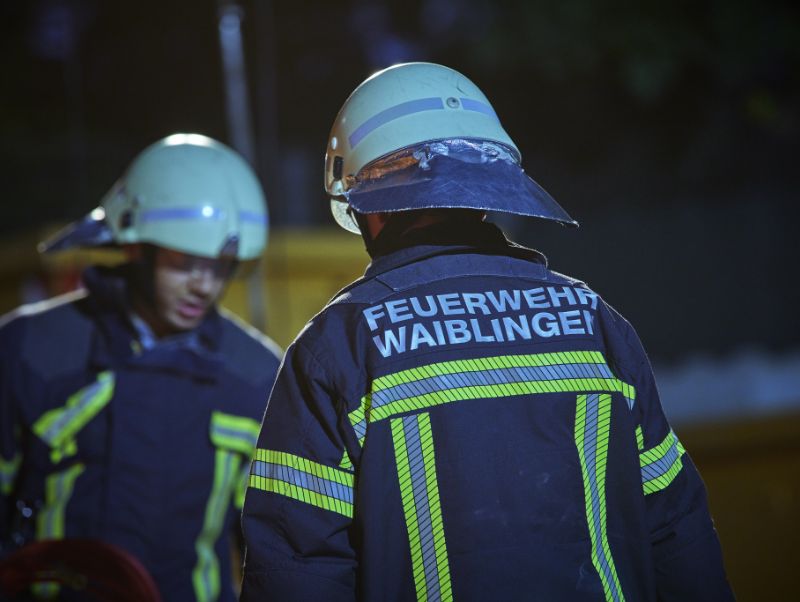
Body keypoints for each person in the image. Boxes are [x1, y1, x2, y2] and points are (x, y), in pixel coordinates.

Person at [239, 63, 734, 601]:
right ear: (485, 192)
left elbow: (298, 565)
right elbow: (677, 532)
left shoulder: (340, 345)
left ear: (367, 207)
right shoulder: (596, 323)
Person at [0, 133, 282, 601]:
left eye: (222, 266)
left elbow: (274, 548)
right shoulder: (33, 350)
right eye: (184, 262)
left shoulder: (255, 375)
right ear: (135, 248)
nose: (204, 285)